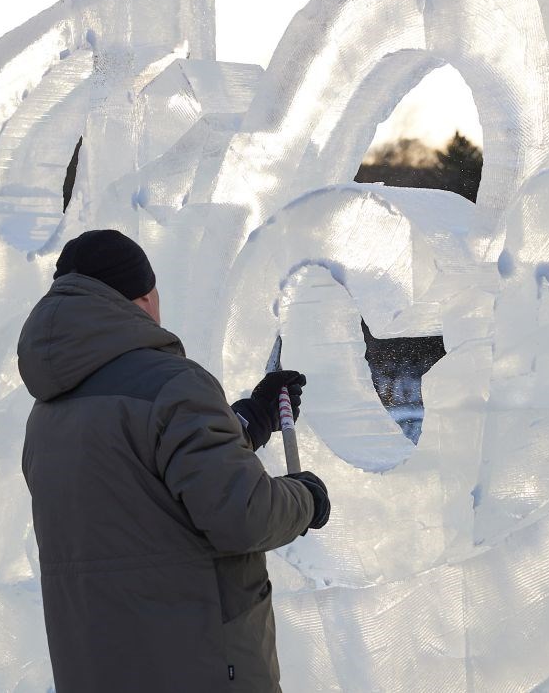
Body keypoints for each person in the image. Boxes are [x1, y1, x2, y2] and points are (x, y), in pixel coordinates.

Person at [19, 229, 330, 692]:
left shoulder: (47, 413)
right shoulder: (174, 386)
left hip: (95, 667)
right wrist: (307, 497)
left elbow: (144, 486)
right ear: (143, 299)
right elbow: (244, 515)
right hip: (196, 664)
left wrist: (247, 422)